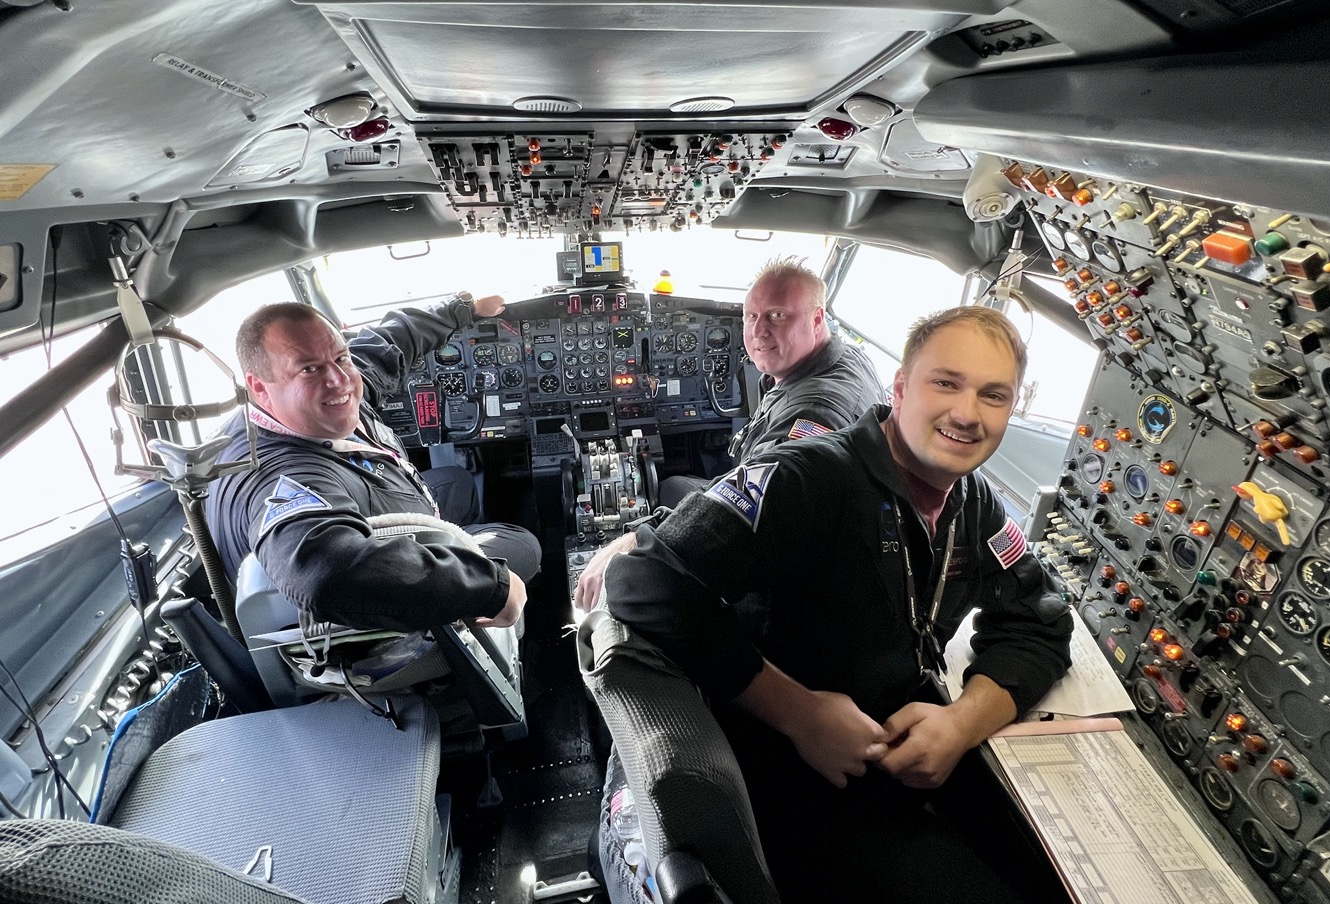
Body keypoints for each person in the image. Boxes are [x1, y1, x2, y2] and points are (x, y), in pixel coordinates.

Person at [603, 306, 1073, 902]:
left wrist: (960, 723)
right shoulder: (803, 477)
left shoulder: (975, 504)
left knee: (1061, 877)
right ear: (900, 388)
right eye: (946, 383)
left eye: (993, 395)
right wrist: (798, 713)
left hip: (910, 743)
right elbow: (643, 580)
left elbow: (1041, 622)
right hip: (794, 776)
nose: (965, 413)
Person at [205, 296, 538, 634]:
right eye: (308, 368)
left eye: (340, 357)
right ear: (259, 387)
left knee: (458, 482)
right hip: (370, 626)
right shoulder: (284, 478)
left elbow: (390, 344)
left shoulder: (316, 401)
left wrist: (461, 310)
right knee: (523, 544)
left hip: (378, 501)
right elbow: (326, 574)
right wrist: (491, 586)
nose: (340, 380)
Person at [572, 256, 881, 611]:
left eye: (778, 315)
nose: (759, 331)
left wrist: (632, 542)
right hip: (809, 538)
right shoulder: (843, 358)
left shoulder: (813, 412)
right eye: (751, 316)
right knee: (672, 487)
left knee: (635, 566)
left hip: (790, 580)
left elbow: (751, 507)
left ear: (817, 319)